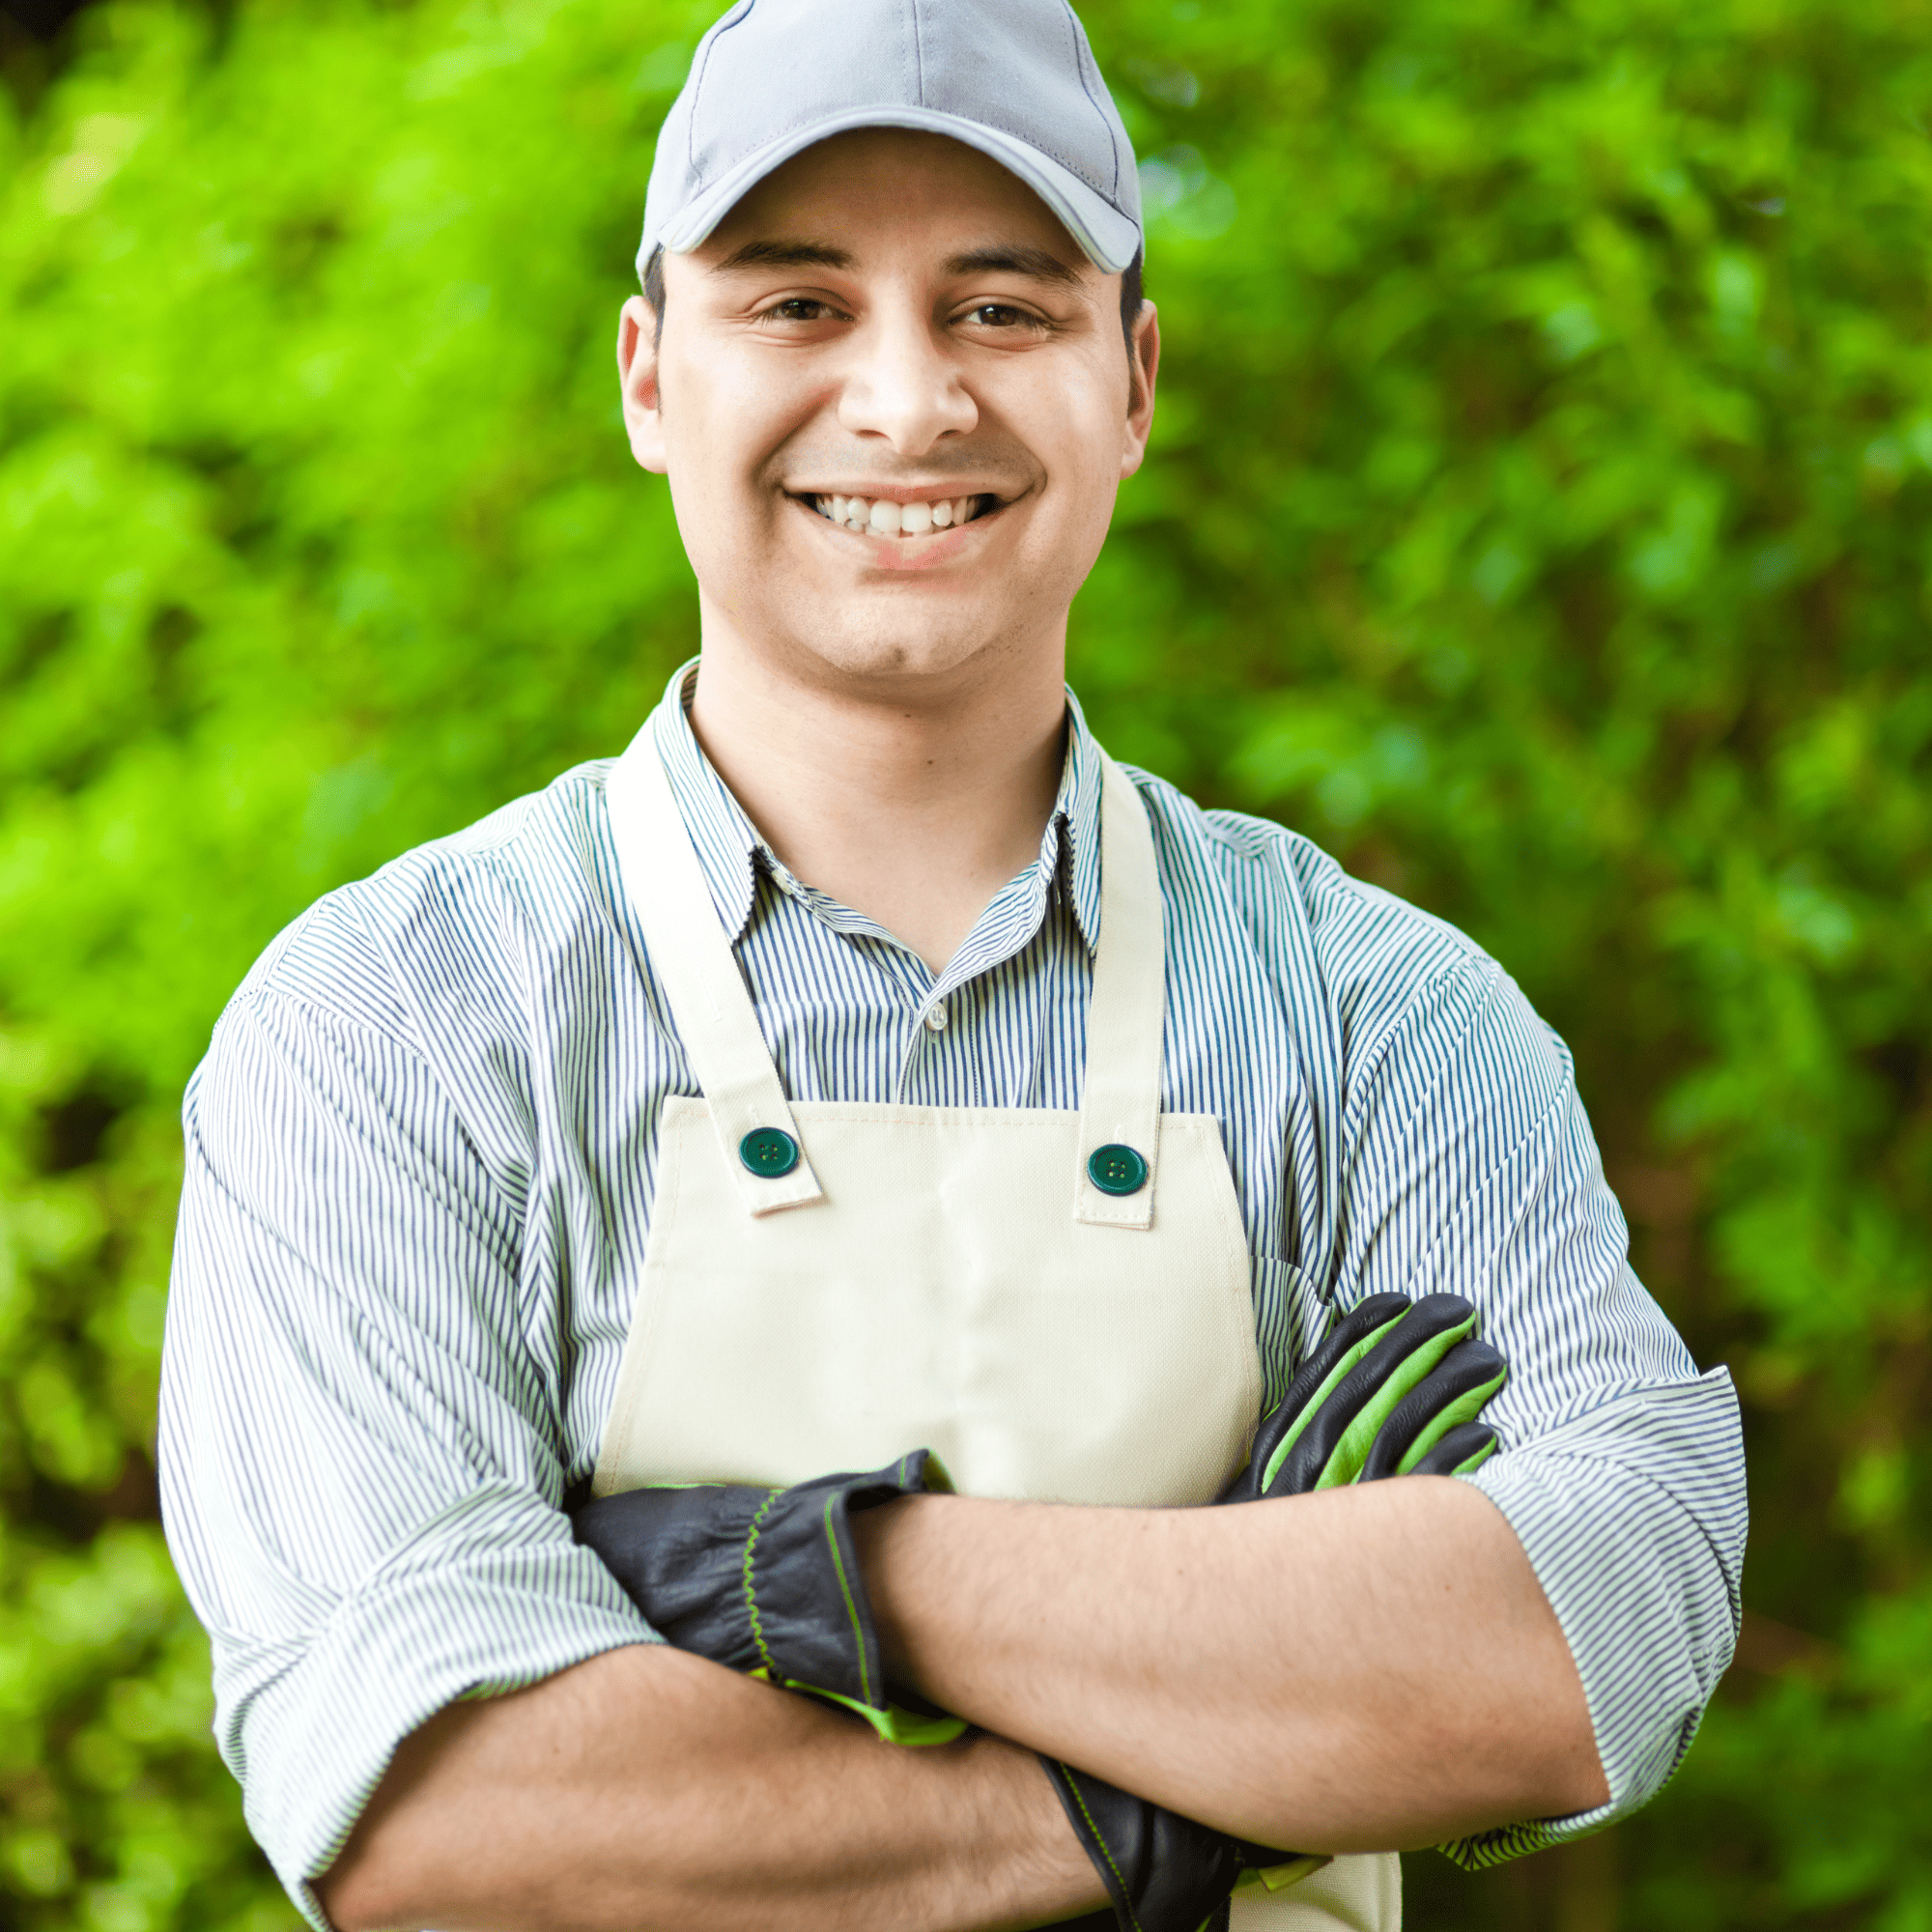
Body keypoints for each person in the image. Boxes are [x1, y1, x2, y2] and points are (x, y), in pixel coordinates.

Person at [157, 1, 1748, 1928]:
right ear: (651, 376)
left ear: (1134, 382)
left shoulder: (1377, 1017)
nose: (910, 405)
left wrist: (849, 1576)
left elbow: (1597, 1635)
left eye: (1003, 308)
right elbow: (444, 1819)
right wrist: (1145, 1793)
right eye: (799, 304)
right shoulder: (395, 1023)